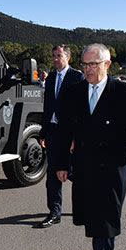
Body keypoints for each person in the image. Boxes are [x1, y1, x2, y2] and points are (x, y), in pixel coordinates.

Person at [54, 43, 126, 250]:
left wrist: (123, 159)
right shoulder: (72, 93)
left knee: (106, 219)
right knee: (91, 215)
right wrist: (61, 163)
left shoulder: (125, 94)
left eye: (94, 64)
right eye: (85, 64)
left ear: (107, 64)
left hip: (112, 169)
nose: (89, 70)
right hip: (84, 168)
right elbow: (62, 133)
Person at [35, 45, 84, 228]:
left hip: (70, 135)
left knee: (74, 174)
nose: (56, 59)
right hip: (54, 132)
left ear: (68, 58)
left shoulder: (77, 77)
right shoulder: (51, 78)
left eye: (59, 56)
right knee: (52, 175)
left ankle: (84, 206)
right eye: (54, 55)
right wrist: (43, 132)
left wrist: (76, 137)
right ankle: (54, 212)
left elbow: (81, 110)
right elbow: (47, 107)